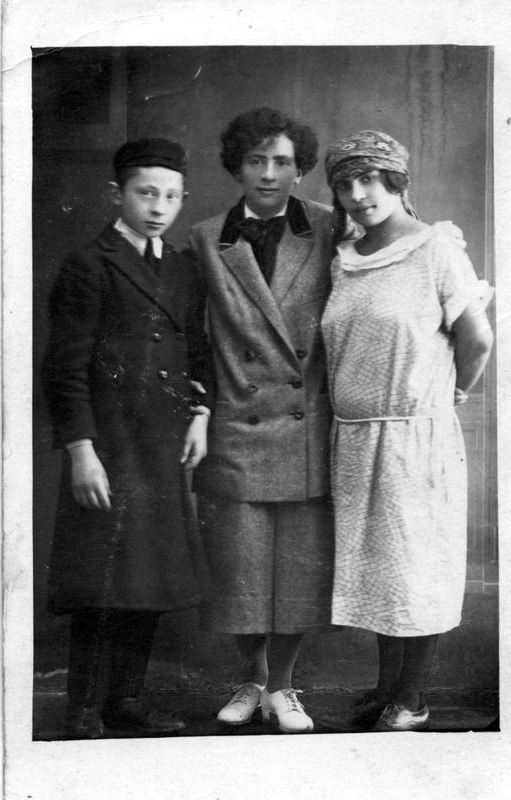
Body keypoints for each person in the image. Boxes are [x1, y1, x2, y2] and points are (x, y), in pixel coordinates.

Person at [319, 130, 494, 731]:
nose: (357, 194)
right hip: (355, 439)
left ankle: (413, 700)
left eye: (369, 180)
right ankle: (387, 688)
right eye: (345, 184)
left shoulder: (435, 250)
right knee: (380, 572)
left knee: (416, 568)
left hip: (414, 439)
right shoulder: (345, 258)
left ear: (397, 182)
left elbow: (478, 338)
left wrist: (453, 394)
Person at [42, 138, 215, 739]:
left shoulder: (185, 267)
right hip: (109, 445)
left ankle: (127, 701)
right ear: (118, 194)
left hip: (161, 445)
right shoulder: (89, 265)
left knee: (148, 578)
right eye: (146, 193)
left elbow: (199, 350)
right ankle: (84, 708)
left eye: (170, 196)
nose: (159, 206)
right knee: (102, 581)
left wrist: (201, 413)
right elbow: (63, 370)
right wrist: (80, 450)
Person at [189, 108, 342, 733]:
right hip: (238, 422)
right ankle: (252, 679)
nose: (269, 173)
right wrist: (201, 408)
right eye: (256, 160)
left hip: (307, 425)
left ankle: (284, 687)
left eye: (282, 161)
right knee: (242, 566)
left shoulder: (332, 228)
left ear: (300, 167)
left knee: (300, 565)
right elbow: (192, 339)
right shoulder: (205, 238)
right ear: (237, 165)